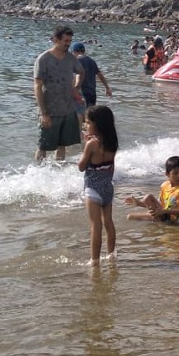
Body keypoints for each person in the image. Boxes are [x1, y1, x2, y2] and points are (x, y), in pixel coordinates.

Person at [34, 25, 85, 162]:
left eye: (70, 41)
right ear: (56, 40)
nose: (68, 44)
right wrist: (44, 113)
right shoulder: (43, 59)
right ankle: (38, 172)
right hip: (50, 110)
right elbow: (37, 87)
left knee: (62, 145)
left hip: (68, 109)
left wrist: (76, 87)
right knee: (43, 146)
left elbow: (81, 72)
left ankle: (59, 170)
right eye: (65, 41)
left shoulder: (71, 58)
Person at [78, 105, 118, 263]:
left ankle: (94, 260)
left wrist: (85, 145)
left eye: (88, 122)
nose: (86, 125)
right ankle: (111, 255)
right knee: (108, 222)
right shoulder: (112, 142)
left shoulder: (92, 144)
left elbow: (81, 166)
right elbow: (111, 166)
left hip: (93, 188)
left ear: (97, 124)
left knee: (95, 225)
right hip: (107, 187)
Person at [125, 156, 179, 222]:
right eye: (175, 173)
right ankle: (156, 218)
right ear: (167, 174)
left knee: (131, 216)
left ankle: (157, 221)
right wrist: (139, 203)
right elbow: (160, 205)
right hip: (162, 214)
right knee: (147, 198)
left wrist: (165, 211)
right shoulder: (164, 185)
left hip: (172, 218)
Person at [71, 42, 113, 124]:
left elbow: (76, 77)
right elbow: (100, 75)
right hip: (92, 93)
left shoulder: (76, 61)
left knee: (81, 114)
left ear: (75, 51)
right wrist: (107, 87)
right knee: (90, 115)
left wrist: (74, 90)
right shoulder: (92, 61)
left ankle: (82, 131)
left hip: (82, 92)